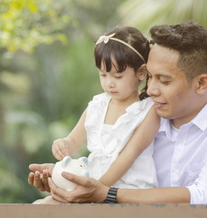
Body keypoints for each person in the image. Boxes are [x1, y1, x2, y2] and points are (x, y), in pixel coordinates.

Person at [28, 21, 207, 204]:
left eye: (164, 81)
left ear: (201, 84)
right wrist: (67, 180)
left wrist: (105, 194)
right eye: (150, 77)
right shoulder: (144, 117)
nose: (151, 89)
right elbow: (103, 167)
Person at [33, 26, 160, 204]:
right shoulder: (97, 106)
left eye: (118, 76)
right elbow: (73, 141)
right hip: (90, 189)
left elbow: (129, 155)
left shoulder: (148, 111)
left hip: (125, 192)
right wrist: (63, 145)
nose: (109, 83)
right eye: (103, 74)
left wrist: (96, 189)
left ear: (141, 72)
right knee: (42, 205)